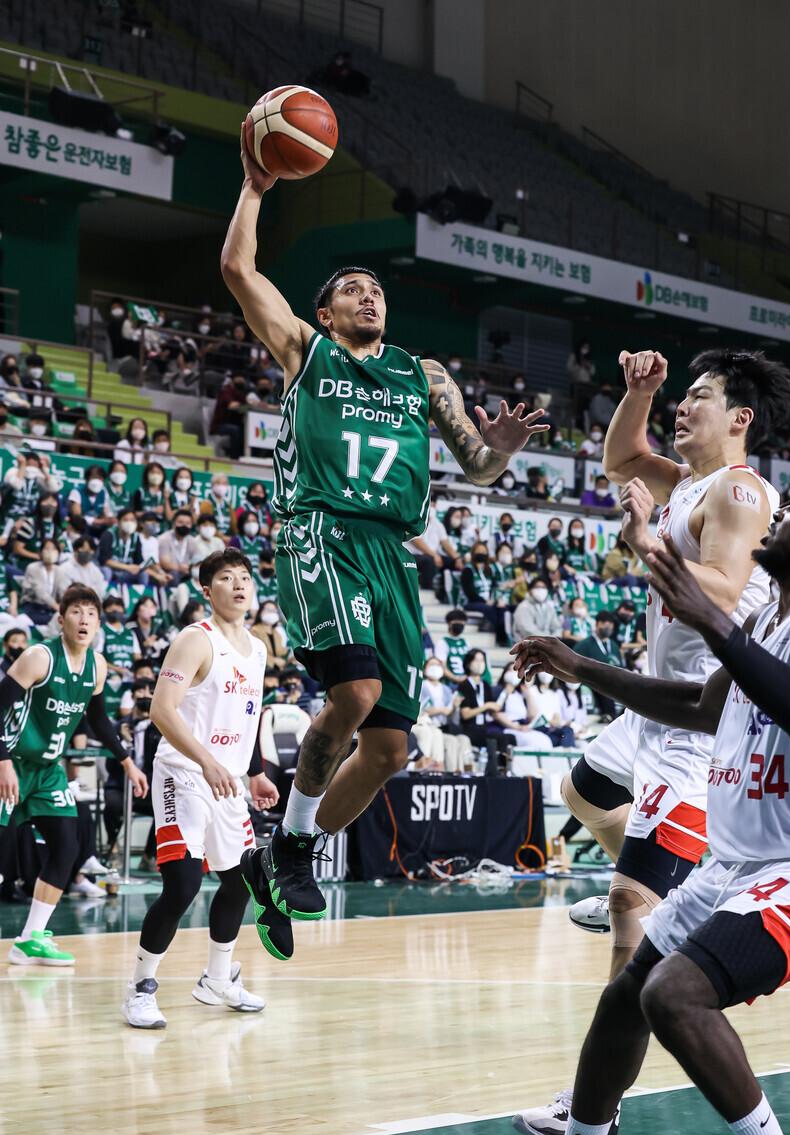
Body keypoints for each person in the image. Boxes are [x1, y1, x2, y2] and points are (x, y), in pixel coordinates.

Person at [222, 123, 545, 943]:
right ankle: (293, 847)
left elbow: (477, 465)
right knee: (356, 695)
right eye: (352, 290)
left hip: (389, 555)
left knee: (391, 749)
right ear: (325, 311)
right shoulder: (306, 352)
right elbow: (238, 272)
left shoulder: (420, 373)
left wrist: (502, 450)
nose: (370, 297)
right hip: (321, 531)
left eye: (377, 290)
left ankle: (281, 854)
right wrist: (256, 189)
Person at [483, 486, 790, 1135]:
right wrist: (581, 667)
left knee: (673, 994)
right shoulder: (767, 615)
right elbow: (699, 706)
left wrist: (710, 621)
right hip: (736, 861)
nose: (787, 506)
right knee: (624, 998)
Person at [508, 347, 790, 1135]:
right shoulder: (689, 482)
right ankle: (659, 888)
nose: (683, 406)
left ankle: (597, 1107)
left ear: (738, 418)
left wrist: (641, 544)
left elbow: (721, 593)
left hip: (698, 718)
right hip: (650, 708)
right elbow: (621, 459)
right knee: (582, 791)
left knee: (629, 904)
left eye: (697, 396)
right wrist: (638, 392)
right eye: (682, 395)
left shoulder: (738, 490)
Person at [122, 549, 279, 1028]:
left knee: (241, 880)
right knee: (184, 884)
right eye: (227, 578)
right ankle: (141, 987)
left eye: (245, 577)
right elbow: (161, 710)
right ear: (207, 592)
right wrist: (206, 761)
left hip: (227, 778)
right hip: (184, 773)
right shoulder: (195, 639)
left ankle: (217, 979)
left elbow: (248, 718)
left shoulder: (258, 649)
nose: (239, 584)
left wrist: (255, 771)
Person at [0, 585, 147, 966]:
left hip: (48, 772)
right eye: (76, 612)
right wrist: (3, 763)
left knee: (67, 846)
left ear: (98, 623)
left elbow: (97, 718)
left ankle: (30, 938)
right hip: (11, 762)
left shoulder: (97, 665)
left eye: (91, 614)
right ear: (61, 618)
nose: (84, 620)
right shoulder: (39, 657)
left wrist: (126, 761)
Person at [456, 649, 515, 773]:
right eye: (476, 660)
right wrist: (486, 706)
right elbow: (465, 714)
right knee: (496, 738)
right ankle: (495, 771)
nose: (479, 664)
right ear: (468, 663)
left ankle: (505, 770)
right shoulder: (464, 685)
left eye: (482, 660)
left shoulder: (485, 685)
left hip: (483, 727)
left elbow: (495, 708)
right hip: (469, 728)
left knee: (509, 737)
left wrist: (505, 693)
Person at [98, 508, 147, 585]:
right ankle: (104, 591)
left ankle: (143, 592)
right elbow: (105, 561)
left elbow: (139, 562)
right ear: (118, 522)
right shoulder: (109, 535)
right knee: (106, 571)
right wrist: (127, 567)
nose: (129, 523)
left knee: (143, 574)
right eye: (126, 520)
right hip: (112, 570)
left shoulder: (136, 537)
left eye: (132, 520)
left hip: (126, 573)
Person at [19, 539, 60, 625]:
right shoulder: (33, 567)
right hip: (32, 606)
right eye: (47, 548)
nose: (50, 551)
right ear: (41, 552)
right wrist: (57, 607)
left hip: (49, 609)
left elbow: (63, 591)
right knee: (54, 621)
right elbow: (39, 592)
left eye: (53, 549)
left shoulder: (59, 570)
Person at [55, 534, 107, 601]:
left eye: (90, 551)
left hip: (91, 604)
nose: (88, 554)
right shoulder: (64, 569)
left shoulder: (96, 571)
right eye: (85, 551)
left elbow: (100, 593)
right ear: (76, 551)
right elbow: (63, 594)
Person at [512, 578, 562, 642]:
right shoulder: (523, 607)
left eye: (543, 587)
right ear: (530, 591)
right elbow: (527, 631)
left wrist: (555, 639)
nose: (541, 590)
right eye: (537, 587)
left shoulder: (549, 607)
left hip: (549, 643)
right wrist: (548, 639)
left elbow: (557, 628)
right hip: (528, 644)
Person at [433, 608, 472, 685]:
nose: (460, 626)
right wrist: (456, 679)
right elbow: (442, 666)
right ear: (449, 624)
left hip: (465, 681)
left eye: (462, 623)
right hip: (449, 683)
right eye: (457, 623)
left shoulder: (466, 642)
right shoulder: (443, 642)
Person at [157, 509, 198, 584]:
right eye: (180, 522)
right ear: (174, 524)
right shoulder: (164, 539)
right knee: (174, 573)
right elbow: (165, 564)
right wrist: (179, 567)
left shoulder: (192, 540)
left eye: (188, 523)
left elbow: (197, 560)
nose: (184, 526)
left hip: (186, 572)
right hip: (169, 573)